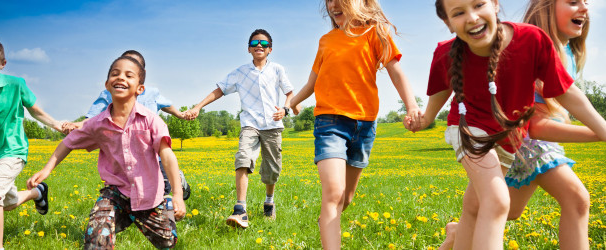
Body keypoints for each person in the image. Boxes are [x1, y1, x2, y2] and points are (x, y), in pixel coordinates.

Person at [406, 0, 606, 248]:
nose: (472, 17)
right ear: (447, 23)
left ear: (495, 5)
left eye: (479, 5)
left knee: (478, 208)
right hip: (469, 129)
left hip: (509, 137)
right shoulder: (447, 53)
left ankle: (456, 238)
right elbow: (442, 88)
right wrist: (425, 117)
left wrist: (602, 129)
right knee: (497, 200)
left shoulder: (532, 40)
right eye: (459, 13)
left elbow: (568, 93)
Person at [288, 0, 420, 248]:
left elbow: (396, 71)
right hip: (329, 122)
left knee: (346, 197)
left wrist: (411, 106)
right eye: (330, 1)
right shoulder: (326, 41)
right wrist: (290, 105)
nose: (334, 6)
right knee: (334, 193)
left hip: (365, 125)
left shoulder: (375, 32)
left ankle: (327, 220)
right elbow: (311, 83)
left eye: (341, 1)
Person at [27, 56, 186, 249]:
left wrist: (177, 194)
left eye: (129, 75)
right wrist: (46, 170)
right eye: (115, 74)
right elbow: (68, 142)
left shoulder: (151, 121)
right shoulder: (97, 125)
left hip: (149, 195)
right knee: (97, 236)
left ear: (140, 89)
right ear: (107, 85)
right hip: (115, 193)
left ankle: (167, 209)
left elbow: (167, 156)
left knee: (167, 241)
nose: (120, 78)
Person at [184, 29, 295, 229]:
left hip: (272, 125)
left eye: (263, 43)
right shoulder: (240, 72)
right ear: (248, 49)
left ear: (270, 49)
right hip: (250, 124)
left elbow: (290, 92)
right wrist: (198, 106)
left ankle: (269, 202)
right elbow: (219, 90)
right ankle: (240, 209)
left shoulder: (277, 69)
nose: (258, 45)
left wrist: (285, 109)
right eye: (254, 43)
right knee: (243, 157)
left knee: (271, 169)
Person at [64, 50, 191, 201]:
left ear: (142, 72)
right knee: (128, 190)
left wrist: (180, 114)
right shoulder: (109, 93)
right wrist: (77, 125)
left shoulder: (152, 92)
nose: (123, 75)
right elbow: (93, 118)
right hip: (126, 154)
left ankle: (176, 181)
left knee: (162, 190)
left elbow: (166, 105)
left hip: (153, 151)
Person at [0, 38, 66, 250]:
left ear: (3, 64)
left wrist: (57, 124)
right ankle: (38, 193)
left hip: (12, 150)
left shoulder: (16, 85)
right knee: (5, 203)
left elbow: (35, 111)